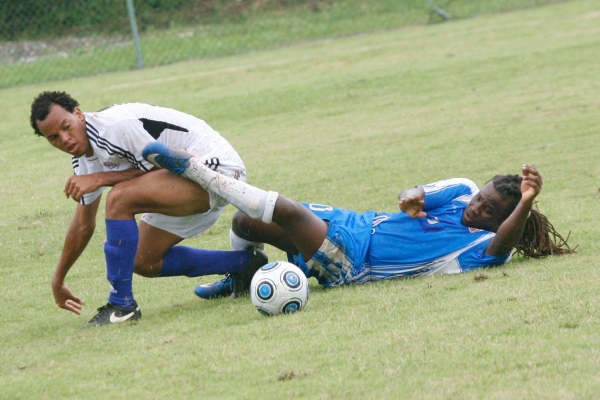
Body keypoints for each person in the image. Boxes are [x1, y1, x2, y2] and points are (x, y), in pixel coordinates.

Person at [142, 141, 576, 294]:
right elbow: (418, 191)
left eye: (488, 211)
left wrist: (526, 202)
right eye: (481, 199)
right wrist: (410, 196)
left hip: (356, 263)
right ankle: (243, 278)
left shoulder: (482, 250)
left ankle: (197, 170)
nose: (475, 207)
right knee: (244, 224)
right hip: (355, 223)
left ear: (503, 222)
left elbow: (504, 240)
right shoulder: (462, 190)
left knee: (287, 210)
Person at [30, 91, 267, 327]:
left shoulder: (114, 127)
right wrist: (58, 279)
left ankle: (122, 305)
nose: (65, 139)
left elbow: (168, 163)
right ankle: (245, 264)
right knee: (141, 260)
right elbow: (83, 224)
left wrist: (102, 178)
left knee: (119, 198)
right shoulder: (83, 159)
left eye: (66, 126)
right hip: (182, 180)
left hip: (215, 165)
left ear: (78, 114)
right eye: (53, 137)